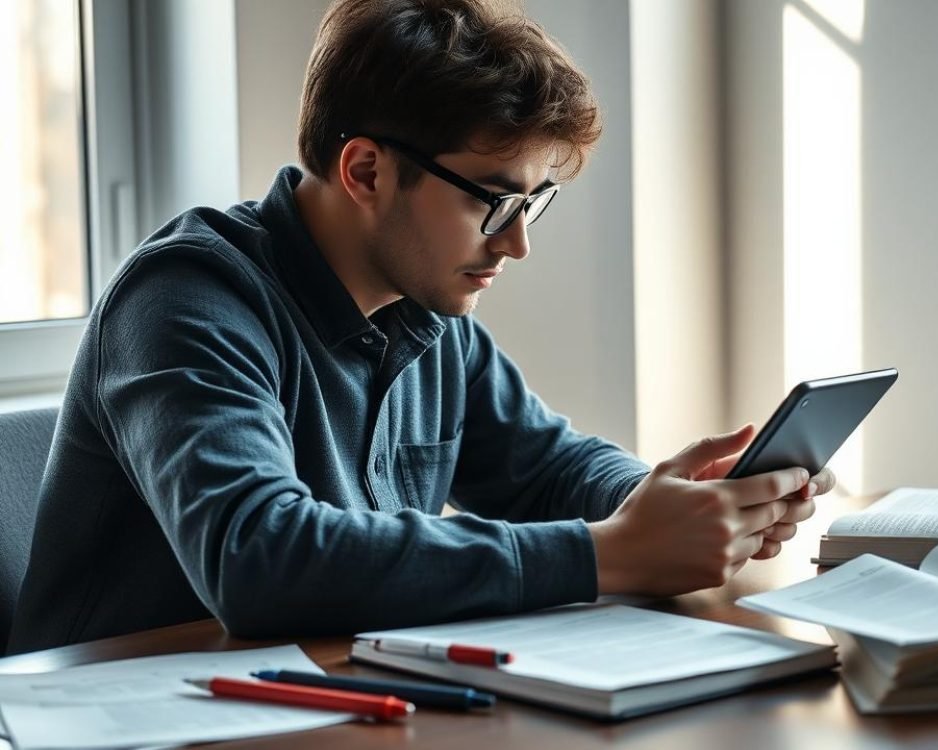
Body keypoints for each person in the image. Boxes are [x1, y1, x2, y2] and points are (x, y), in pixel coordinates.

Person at [7, 0, 832, 654]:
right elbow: (258, 557)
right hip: (124, 717)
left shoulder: (427, 311)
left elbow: (547, 468)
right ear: (366, 169)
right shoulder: (187, 298)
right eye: (494, 200)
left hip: (323, 699)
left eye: (534, 202)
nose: (517, 243)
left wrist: (668, 506)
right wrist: (608, 552)